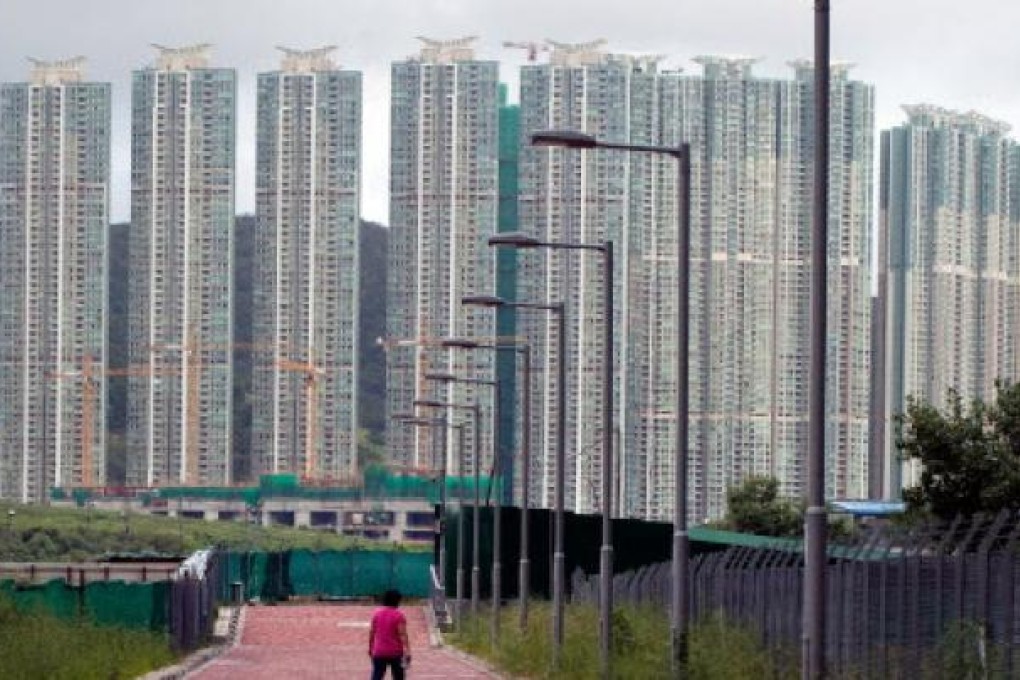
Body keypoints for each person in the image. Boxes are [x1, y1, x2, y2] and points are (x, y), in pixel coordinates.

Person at [369, 589, 411, 679]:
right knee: (398, 676)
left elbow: (372, 632)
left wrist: (370, 648)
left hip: (379, 651)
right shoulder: (399, 616)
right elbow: (403, 635)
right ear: (397, 601)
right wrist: (407, 651)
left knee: (377, 675)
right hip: (395, 652)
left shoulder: (377, 614)